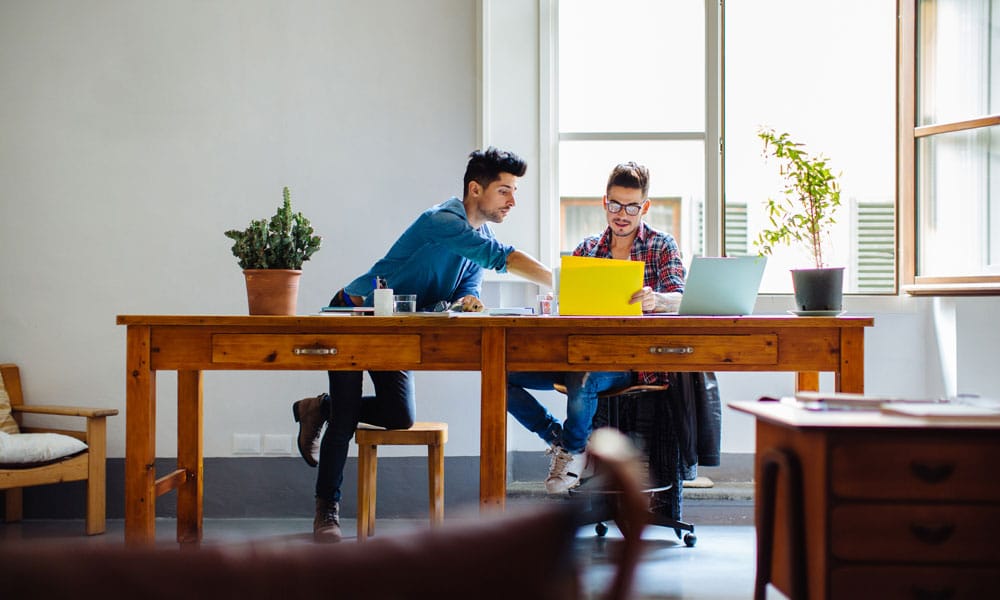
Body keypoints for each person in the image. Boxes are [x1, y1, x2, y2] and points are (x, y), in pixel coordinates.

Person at [293, 147, 552, 542]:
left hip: (396, 328)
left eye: (515, 191)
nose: (512, 201)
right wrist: (560, 282)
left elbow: (469, 286)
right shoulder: (442, 221)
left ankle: (318, 408)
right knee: (346, 418)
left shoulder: (481, 236)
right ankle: (327, 511)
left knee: (399, 415)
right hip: (356, 314)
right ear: (475, 189)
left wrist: (467, 301)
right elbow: (498, 257)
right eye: (504, 190)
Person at [505, 161, 685, 494]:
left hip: (631, 363)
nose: (622, 214)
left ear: (644, 206)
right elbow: (567, 308)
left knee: (582, 375)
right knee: (503, 376)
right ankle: (565, 442)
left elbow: (682, 300)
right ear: (605, 202)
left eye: (632, 207)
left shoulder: (661, 246)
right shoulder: (587, 250)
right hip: (579, 354)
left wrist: (656, 300)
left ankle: (572, 453)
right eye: (615, 204)